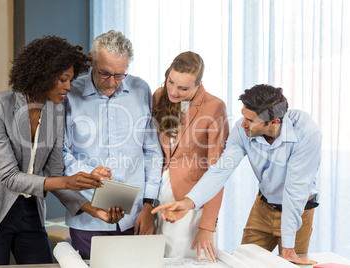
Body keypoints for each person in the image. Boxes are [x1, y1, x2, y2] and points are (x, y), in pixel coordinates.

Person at [0, 36, 106, 266]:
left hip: (30, 210)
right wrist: (67, 182)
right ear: (43, 75)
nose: (69, 86)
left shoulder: (56, 112)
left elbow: (56, 172)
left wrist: (93, 209)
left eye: (71, 79)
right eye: (62, 79)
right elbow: (10, 177)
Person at [152, 84, 321, 265]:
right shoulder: (242, 130)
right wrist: (188, 202)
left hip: (299, 210)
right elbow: (221, 169)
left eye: (251, 120)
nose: (242, 123)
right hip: (263, 206)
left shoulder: (306, 133)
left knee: (290, 264)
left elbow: (295, 190)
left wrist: (288, 248)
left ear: (274, 122)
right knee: (243, 263)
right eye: (243, 116)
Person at [62, 30, 163, 259]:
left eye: (119, 75)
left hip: (134, 216)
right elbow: (61, 154)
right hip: (87, 216)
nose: (111, 82)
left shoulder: (141, 89)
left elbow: (152, 153)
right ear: (91, 59)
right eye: (104, 73)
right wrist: (91, 174)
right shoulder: (69, 94)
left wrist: (149, 206)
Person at [152, 51, 229, 263]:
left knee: (183, 261)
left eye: (183, 88)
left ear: (198, 85)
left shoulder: (214, 107)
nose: (174, 91)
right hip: (157, 196)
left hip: (191, 202)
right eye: (171, 82)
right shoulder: (159, 96)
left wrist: (207, 225)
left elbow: (218, 171)